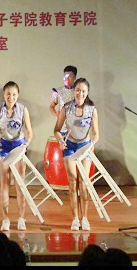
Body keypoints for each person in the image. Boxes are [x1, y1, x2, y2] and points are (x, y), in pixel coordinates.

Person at [0, 81, 33, 232]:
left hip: (19, 146)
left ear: (18, 95)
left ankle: (21, 218)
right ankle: (5, 219)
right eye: (8, 94)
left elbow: (29, 131)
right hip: (3, 147)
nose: (11, 97)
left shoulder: (23, 109)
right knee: (4, 183)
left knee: (20, 183)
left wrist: (26, 144)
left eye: (14, 94)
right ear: (3, 95)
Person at [54, 77, 100, 231]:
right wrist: (60, 140)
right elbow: (57, 129)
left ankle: (85, 218)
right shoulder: (66, 108)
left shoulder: (92, 109)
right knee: (73, 181)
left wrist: (93, 143)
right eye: (78, 90)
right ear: (74, 91)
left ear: (87, 93)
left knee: (84, 181)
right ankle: (75, 218)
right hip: (70, 146)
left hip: (85, 146)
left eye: (83, 91)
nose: (80, 94)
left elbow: (96, 133)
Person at [49, 65, 77, 138]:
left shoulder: (78, 92)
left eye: (69, 76)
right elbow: (51, 106)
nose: (66, 79)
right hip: (63, 126)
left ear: (74, 78)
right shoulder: (58, 92)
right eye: (65, 76)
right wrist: (56, 115)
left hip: (75, 126)